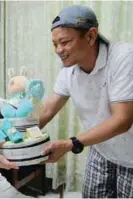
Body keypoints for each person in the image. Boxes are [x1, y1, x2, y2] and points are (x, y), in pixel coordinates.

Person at [40, 5, 133, 198]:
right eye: (55, 44)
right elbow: (48, 109)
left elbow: (122, 120)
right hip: (103, 148)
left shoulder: (123, 57)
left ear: (91, 36)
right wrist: (14, 139)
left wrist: (70, 143)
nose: (59, 50)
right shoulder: (68, 70)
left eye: (64, 42)